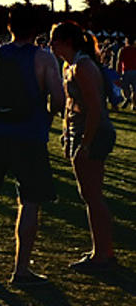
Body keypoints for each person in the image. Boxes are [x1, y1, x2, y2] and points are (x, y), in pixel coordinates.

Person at [0, 7, 65, 286]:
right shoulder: (43, 58)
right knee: (30, 201)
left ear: (10, 28)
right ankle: (21, 269)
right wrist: (46, 118)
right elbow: (57, 98)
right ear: (36, 30)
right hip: (29, 136)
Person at [49, 22, 117, 272]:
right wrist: (68, 134)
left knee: (92, 196)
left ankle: (102, 255)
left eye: (53, 40)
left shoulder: (83, 66)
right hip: (82, 133)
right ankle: (102, 250)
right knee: (90, 195)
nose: (50, 46)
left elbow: (95, 109)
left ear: (66, 41)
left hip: (93, 135)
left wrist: (85, 143)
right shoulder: (71, 65)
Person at [116, 36, 136, 109]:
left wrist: (118, 71)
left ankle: (127, 98)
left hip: (126, 71)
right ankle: (133, 105)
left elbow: (119, 61)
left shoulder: (123, 50)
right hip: (135, 71)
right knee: (135, 90)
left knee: (125, 87)